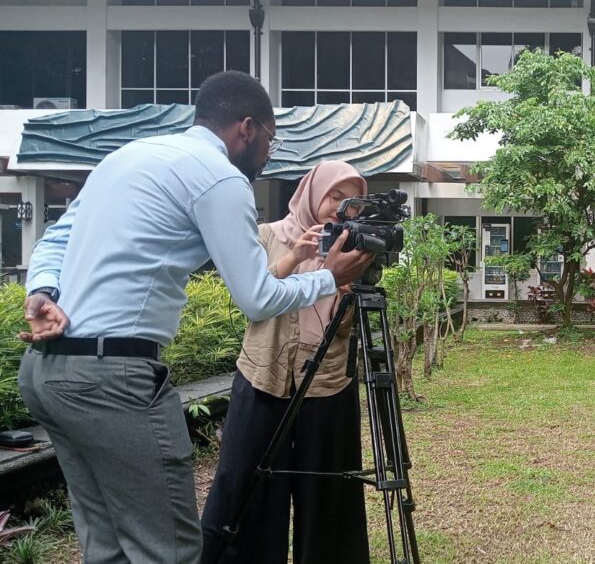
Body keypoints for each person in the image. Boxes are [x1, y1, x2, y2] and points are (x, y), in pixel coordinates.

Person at [16, 71, 373, 563]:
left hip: (47, 374)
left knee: (108, 546)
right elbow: (256, 297)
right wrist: (329, 277)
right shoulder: (221, 177)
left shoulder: (127, 157)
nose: (270, 153)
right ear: (247, 129)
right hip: (114, 380)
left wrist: (42, 290)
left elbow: (54, 238)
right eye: (271, 139)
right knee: (171, 550)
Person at [200, 161, 371, 564]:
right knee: (245, 487)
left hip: (327, 383)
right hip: (263, 378)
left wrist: (344, 288)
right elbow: (254, 301)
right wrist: (296, 258)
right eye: (335, 196)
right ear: (313, 192)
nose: (342, 208)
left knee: (329, 495)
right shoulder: (267, 235)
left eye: (353, 202)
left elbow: (342, 330)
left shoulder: (352, 252)